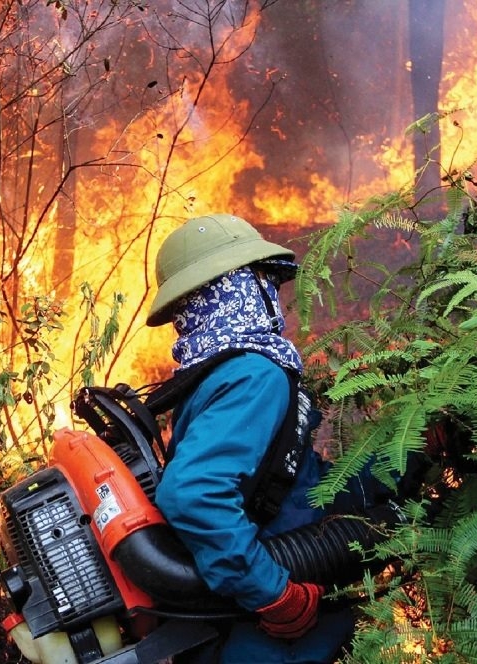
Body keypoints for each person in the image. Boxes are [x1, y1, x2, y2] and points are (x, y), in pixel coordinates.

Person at [146, 213, 355, 663]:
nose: (271, 292)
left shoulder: (213, 373)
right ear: (239, 289)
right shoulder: (253, 375)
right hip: (263, 629)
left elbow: (288, 477)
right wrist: (272, 593)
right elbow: (193, 494)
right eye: (262, 279)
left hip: (237, 616)